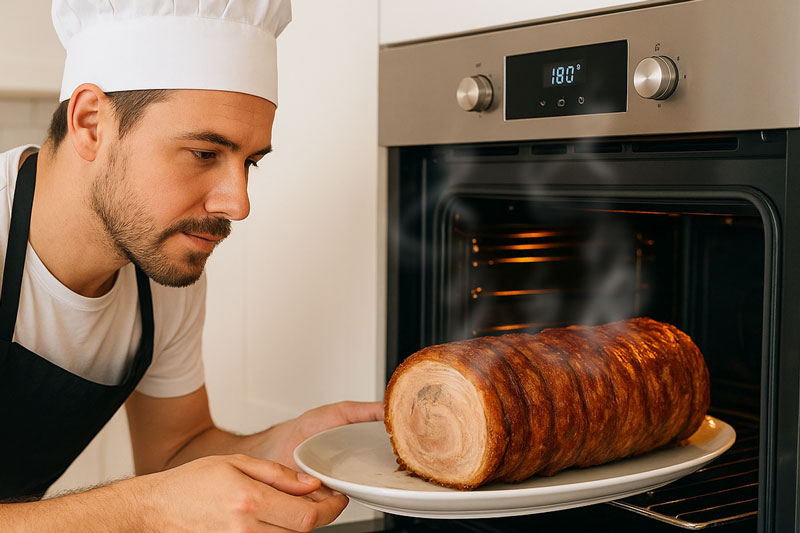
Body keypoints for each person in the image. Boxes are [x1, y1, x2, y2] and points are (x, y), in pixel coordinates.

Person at [0, 0, 383, 530]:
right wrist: (148, 508)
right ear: (90, 123)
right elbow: (160, 493)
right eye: (205, 153)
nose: (238, 203)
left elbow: (173, 452)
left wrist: (283, 445)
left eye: (249, 162)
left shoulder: (160, 265)